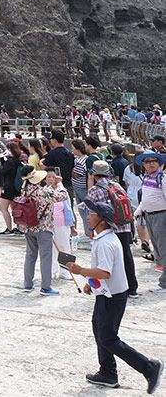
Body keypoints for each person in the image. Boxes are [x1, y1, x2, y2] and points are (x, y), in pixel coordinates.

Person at [66, 200, 163, 391]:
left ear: (102, 220)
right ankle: (107, 373)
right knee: (99, 330)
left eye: (92, 214)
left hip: (112, 296)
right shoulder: (105, 238)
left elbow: (104, 272)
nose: (88, 216)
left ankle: (149, 367)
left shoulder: (105, 242)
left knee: (108, 338)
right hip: (107, 293)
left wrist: (81, 271)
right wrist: (90, 284)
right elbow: (103, 271)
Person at [88, 161, 139, 299]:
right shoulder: (117, 186)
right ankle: (132, 288)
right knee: (127, 257)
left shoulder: (94, 190)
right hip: (124, 226)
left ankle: (114, 288)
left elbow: (92, 211)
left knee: (111, 260)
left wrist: (91, 229)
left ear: (94, 173)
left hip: (108, 228)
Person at [15, 167, 58, 294]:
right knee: (45, 256)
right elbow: (62, 196)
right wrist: (57, 183)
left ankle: (28, 284)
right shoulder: (43, 191)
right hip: (44, 227)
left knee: (30, 255)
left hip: (28, 226)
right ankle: (46, 287)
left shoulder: (24, 190)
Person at [137, 151, 166, 292]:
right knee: (158, 248)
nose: (151, 163)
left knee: (163, 248)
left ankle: (164, 283)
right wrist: (139, 210)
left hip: (161, 216)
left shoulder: (162, 178)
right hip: (149, 216)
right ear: (144, 164)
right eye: (148, 161)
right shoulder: (147, 178)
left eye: (154, 161)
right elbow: (146, 198)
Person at [0, 139, 25, 234]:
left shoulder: (10, 161)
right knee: (15, 209)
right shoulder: (17, 160)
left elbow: (2, 172)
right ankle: (20, 228)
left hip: (8, 187)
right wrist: (1, 158)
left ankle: (9, 228)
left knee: (3, 208)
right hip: (16, 188)